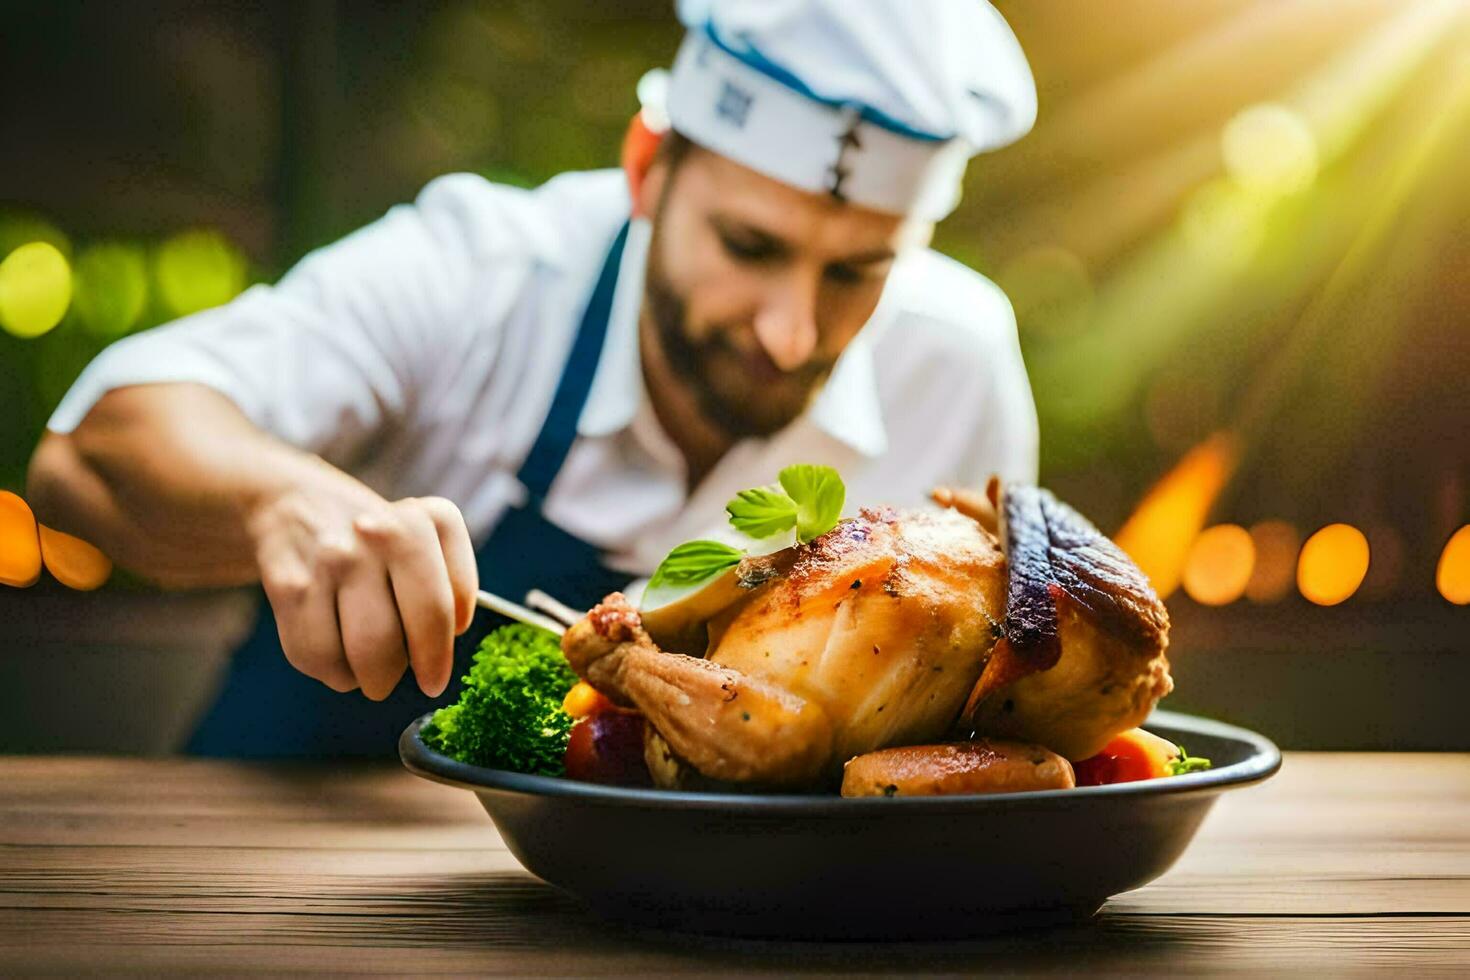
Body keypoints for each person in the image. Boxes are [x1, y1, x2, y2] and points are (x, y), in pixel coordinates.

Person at [26, 0, 1040, 755]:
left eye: (857, 272)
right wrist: (282, 499)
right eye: (748, 245)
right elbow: (89, 447)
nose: (788, 333)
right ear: (648, 167)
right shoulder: (481, 271)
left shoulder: (957, 365)